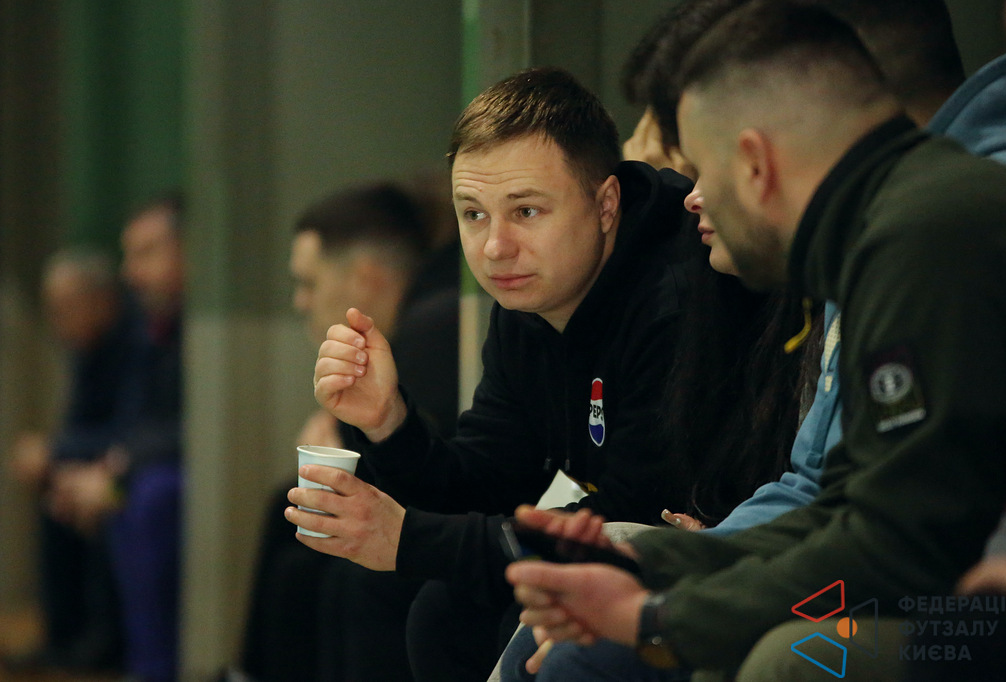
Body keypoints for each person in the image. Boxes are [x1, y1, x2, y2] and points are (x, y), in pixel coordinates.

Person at [505, 3, 1006, 681]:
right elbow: (841, 509)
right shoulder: (898, 220)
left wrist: (660, 621)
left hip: (990, 603)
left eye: (703, 169)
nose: (693, 197)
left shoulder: (923, 237)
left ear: (754, 163)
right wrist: (645, 563)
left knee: (789, 662)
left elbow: (901, 548)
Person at [287, 66, 701, 681]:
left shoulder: (676, 296)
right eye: (473, 214)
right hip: (608, 542)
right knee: (444, 611)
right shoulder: (530, 298)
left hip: (695, 559)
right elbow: (488, 479)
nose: (494, 248)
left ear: (606, 205)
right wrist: (389, 423)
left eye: (526, 211)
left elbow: (624, 520)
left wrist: (406, 537)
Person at [237, 181, 459, 682]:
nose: (300, 302)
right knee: (286, 511)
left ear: (366, 277)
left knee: (328, 577)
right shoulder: (423, 317)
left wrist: (352, 438)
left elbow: (443, 472)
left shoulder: (434, 324)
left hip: (456, 527)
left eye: (309, 283)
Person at [50, 192, 185, 682]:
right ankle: (89, 645)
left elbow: (193, 431)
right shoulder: (154, 326)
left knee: (145, 495)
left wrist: (117, 472)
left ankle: (153, 667)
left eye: (146, 253)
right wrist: (112, 467)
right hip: (145, 464)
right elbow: (140, 422)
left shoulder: (194, 327)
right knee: (84, 486)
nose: (130, 273)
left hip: (184, 477)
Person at [2, 249, 136, 676]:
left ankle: (105, 646)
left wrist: (57, 453)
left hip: (132, 470)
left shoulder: (135, 341)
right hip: (99, 464)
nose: (54, 321)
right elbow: (80, 424)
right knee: (56, 492)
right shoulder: (86, 349)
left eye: (63, 309)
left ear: (99, 300)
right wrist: (57, 456)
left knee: (96, 496)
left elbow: (132, 431)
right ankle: (61, 639)